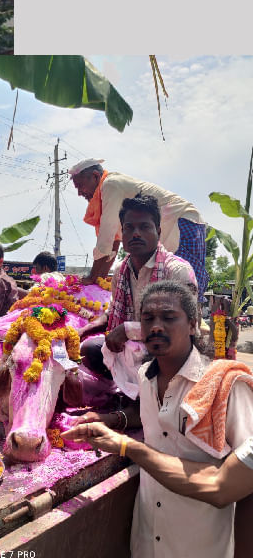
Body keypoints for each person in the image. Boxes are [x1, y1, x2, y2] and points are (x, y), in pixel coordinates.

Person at [61, 281, 253, 558]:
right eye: (148, 318)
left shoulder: (225, 386)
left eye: (169, 317)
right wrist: (108, 419)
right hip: (147, 538)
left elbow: (245, 481)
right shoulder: (145, 375)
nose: (156, 326)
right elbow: (154, 417)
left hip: (200, 544)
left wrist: (126, 446)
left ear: (192, 324)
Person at [81, 194, 198, 380]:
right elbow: (112, 312)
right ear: (123, 234)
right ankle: (126, 391)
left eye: (144, 227)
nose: (136, 233)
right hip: (132, 347)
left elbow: (182, 327)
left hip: (166, 348)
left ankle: (138, 404)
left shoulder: (176, 270)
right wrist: (83, 331)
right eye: (129, 228)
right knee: (89, 349)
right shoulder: (121, 270)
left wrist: (128, 330)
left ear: (158, 232)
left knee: (158, 358)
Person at [69, 158, 207, 293]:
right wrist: (99, 281)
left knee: (188, 286)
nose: (79, 193)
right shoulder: (108, 190)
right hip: (171, 228)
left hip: (183, 220)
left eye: (80, 186)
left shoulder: (110, 184)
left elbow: (106, 236)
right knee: (168, 288)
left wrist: (92, 277)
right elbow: (113, 242)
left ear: (95, 176)